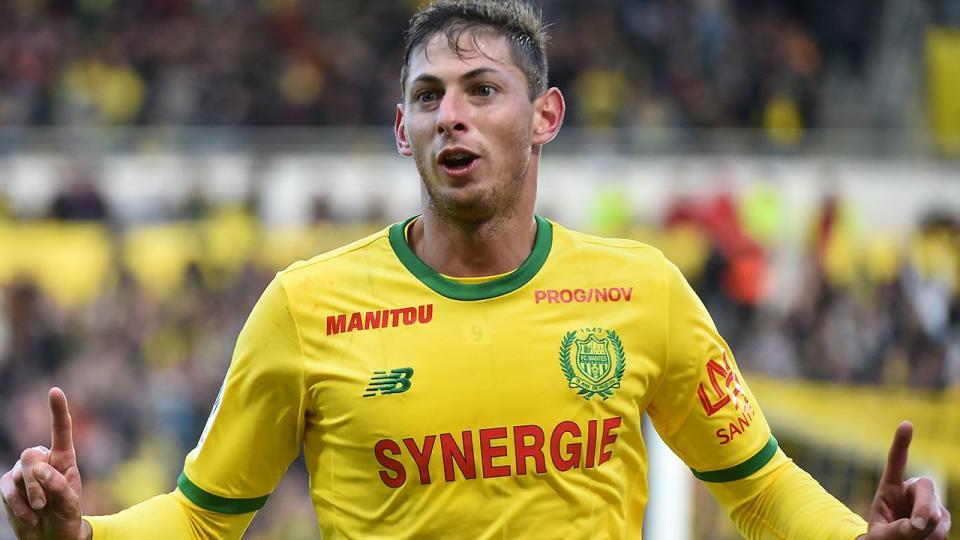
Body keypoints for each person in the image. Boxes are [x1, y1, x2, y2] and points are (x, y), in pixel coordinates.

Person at [1, 1, 952, 538]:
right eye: (427, 96)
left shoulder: (643, 291)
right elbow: (202, 519)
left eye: (482, 89)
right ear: (401, 130)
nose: (450, 114)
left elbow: (756, 485)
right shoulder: (305, 306)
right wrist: (83, 536)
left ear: (545, 118)